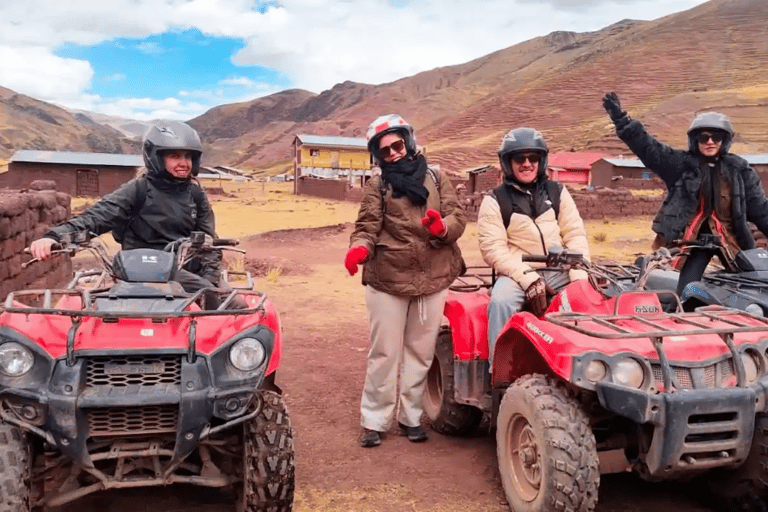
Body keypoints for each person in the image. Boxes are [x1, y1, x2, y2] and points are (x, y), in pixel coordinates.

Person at [345, 114, 466, 448]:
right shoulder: (378, 185)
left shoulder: (436, 177)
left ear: (408, 142)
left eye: (398, 145)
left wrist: (442, 228)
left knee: (421, 352)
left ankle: (411, 418)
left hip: (433, 276)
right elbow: (367, 226)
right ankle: (374, 420)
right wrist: (358, 249)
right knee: (384, 352)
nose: (394, 153)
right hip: (388, 278)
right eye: (385, 151)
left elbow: (457, 217)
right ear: (378, 156)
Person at [29, 120, 223, 305]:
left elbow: (209, 241)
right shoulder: (138, 190)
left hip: (185, 267)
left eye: (188, 156)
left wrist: (211, 280)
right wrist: (54, 236)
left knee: (233, 307)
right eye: (174, 156)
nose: (184, 163)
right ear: (156, 157)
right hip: (141, 270)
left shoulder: (195, 195)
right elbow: (97, 216)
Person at [602, 92, 768, 296]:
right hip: (690, 242)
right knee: (685, 293)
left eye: (716, 137)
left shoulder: (739, 170)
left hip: (732, 241)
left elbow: (761, 211)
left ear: (724, 140)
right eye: (703, 137)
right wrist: (622, 121)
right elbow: (648, 148)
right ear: (694, 140)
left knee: (754, 290)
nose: (710, 142)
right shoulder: (680, 164)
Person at [477, 127, 590, 368]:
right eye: (519, 158)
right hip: (517, 273)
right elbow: (493, 249)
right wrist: (529, 279)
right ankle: (499, 373)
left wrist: (579, 275)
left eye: (533, 158)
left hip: (560, 271)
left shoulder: (558, 192)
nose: (527, 164)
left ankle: (588, 366)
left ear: (542, 161)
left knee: (592, 298)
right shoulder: (495, 199)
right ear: (508, 163)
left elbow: (575, 234)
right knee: (502, 302)